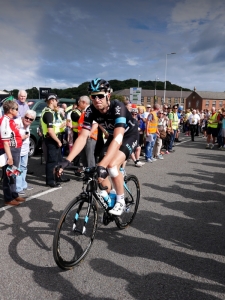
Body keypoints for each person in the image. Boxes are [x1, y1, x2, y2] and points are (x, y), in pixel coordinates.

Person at [59, 78, 139, 216]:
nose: (97, 99)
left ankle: (121, 200)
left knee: (111, 166)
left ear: (108, 95)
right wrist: (67, 160)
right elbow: (83, 137)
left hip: (128, 135)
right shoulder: (90, 111)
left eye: (100, 95)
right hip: (113, 137)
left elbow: (119, 138)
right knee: (100, 175)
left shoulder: (117, 107)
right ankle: (111, 195)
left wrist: (103, 165)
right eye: (93, 96)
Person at [0, 99, 24, 206]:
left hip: (15, 149)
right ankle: (8, 198)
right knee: (8, 175)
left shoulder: (10, 120)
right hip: (10, 150)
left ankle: (14, 193)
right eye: (16, 109)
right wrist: (9, 157)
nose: (18, 111)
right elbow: (5, 143)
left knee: (13, 173)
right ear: (10, 110)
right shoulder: (4, 121)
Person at [40, 93, 65, 188]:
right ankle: (50, 181)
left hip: (55, 137)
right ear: (51, 101)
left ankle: (57, 177)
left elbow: (54, 127)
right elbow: (50, 131)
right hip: (51, 139)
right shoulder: (48, 113)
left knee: (58, 160)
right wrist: (58, 141)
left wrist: (61, 127)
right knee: (52, 161)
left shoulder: (51, 111)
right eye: (56, 100)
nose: (57, 102)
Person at [16, 110, 36, 195]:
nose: (28, 120)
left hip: (24, 150)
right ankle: (18, 188)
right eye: (26, 117)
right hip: (16, 150)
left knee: (24, 168)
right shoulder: (17, 123)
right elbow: (12, 138)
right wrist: (22, 137)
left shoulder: (28, 125)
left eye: (30, 119)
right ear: (24, 116)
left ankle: (23, 185)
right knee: (17, 169)